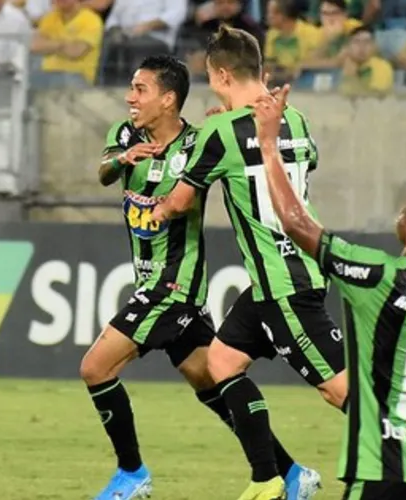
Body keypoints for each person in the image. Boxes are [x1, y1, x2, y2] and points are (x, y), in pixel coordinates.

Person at [252, 73, 406, 500]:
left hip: (381, 472)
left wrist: (267, 144)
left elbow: (296, 224)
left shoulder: (377, 276)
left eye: (404, 211)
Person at [83, 55, 316, 500]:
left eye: (141, 89)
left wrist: (235, 115)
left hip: (173, 288)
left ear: (168, 99)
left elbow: (226, 160)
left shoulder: (199, 143)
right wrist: (123, 158)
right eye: (131, 88)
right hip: (149, 280)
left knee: (94, 368)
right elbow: (104, 170)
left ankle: (131, 474)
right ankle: (290, 472)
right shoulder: (124, 133)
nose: (130, 97)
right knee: (212, 384)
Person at [152, 25, 345, 500]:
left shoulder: (218, 132)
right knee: (221, 361)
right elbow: (298, 165)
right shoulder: (295, 119)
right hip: (275, 280)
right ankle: (270, 480)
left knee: (341, 392)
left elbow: (178, 202)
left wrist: (154, 208)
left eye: (210, 77)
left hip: (285, 283)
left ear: (220, 73)